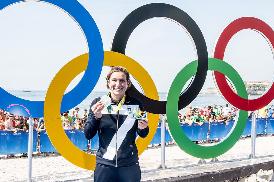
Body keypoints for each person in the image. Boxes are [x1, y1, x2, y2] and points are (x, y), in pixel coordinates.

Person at [84, 66, 149, 182]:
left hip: (129, 164)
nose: (118, 84)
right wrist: (96, 117)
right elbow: (88, 134)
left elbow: (143, 133)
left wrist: (142, 127)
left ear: (127, 83)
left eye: (122, 80)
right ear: (108, 83)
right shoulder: (98, 103)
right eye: (114, 80)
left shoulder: (136, 104)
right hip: (105, 164)